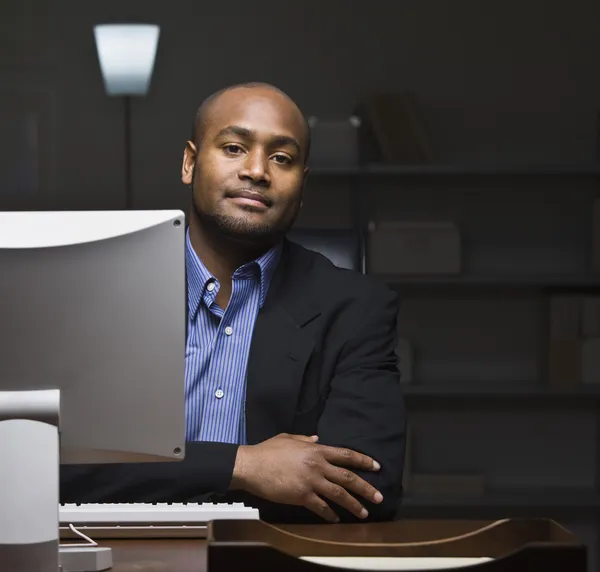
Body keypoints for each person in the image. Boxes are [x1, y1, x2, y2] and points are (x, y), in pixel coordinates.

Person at [60, 82, 407, 523]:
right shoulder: (96, 293)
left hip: (272, 558)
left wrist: (151, 471)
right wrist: (243, 466)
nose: (257, 170)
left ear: (302, 183)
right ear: (190, 162)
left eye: (282, 158)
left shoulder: (356, 308)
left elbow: (366, 490)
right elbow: (50, 468)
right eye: (234, 148)